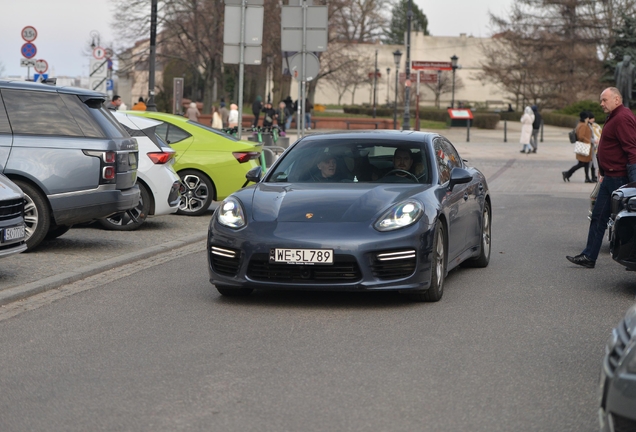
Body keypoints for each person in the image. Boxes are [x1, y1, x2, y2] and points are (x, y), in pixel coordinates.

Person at [566, 87, 636, 268]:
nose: (601, 104)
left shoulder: (622, 117)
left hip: (619, 179)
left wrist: (633, 183)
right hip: (610, 177)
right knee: (599, 217)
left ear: (617, 99)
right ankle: (589, 256)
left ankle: (631, 258)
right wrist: (603, 170)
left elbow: (632, 150)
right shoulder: (615, 116)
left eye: (604, 100)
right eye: (601, 100)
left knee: (626, 221)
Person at [562, 111, 593, 183]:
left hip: (585, 146)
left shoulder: (582, 124)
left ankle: (587, 178)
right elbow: (581, 137)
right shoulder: (583, 125)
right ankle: (567, 173)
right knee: (581, 163)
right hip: (584, 146)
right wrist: (588, 141)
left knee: (586, 163)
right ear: (586, 118)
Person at [588, 111, 602, 182]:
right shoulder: (587, 126)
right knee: (591, 163)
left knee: (594, 162)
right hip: (591, 146)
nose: (593, 120)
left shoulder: (596, 125)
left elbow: (600, 132)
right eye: (591, 118)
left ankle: (593, 176)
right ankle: (589, 177)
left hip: (597, 146)